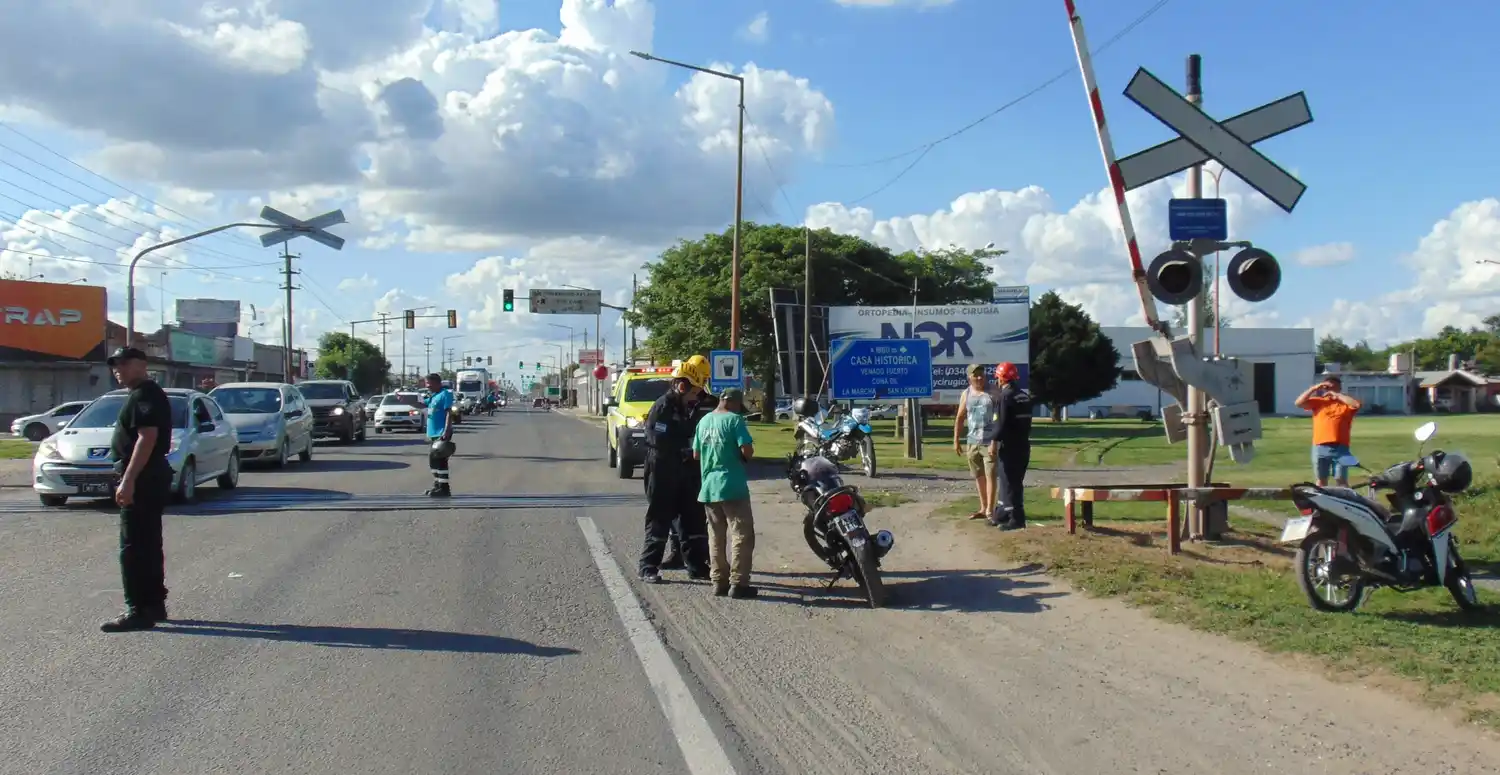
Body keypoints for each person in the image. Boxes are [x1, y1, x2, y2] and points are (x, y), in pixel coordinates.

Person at [102, 346, 174, 632]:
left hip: (144, 477)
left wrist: (129, 479)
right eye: (115, 365)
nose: (117, 369)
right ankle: (154, 604)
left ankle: (138, 609)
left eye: (123, 363)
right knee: (149, 543)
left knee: (133, 547)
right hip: (150, 475)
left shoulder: (144, 395)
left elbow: (147, 438)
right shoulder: (145, 394)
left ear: (142, 365)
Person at [639, 356, 712, 584]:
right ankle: (648, 567)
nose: (697, 395)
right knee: (660, 518)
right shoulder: (663, 407)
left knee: (693, 518)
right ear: (682, 386)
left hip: (686, 471)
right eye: (695, 390)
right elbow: (658, 439)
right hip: (662, 469)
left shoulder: (688, 406)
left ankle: (697, 566)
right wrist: (684, 450)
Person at [693, 387, 757, 599]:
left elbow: (696, 454)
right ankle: (738, 583)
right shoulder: (735, 420)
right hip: (732, 485)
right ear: (731, 402)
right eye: (738, 405)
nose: (739, 409)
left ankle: (718, 581)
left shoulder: (703, 422)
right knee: (742, 535)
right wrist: (743, 454)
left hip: (709, 486)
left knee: (716, 536)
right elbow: (746, 450)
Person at [985, 361, 1033, 531]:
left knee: (1011, 482)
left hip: (1010, 446)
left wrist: (993, 442)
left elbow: (1001, 423)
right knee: (1009, 480)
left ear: (1001, 378)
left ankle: (1016, 518)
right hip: (1023, 445)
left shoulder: (1005, 396)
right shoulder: (1024, 396)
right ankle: (1002, 514)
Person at [1294, 375, 1362, 487]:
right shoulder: (1319, 402)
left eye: (1334, 387)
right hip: (1320, 446)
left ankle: (1344, 497)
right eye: (1328, 387)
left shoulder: (1345, 403)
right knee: (1321, 479)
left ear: (1339, 388)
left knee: (1341, 478)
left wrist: (1336, 395)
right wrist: (1314, 388)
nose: (1330, 390)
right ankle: (1322, 498)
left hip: (1341, 447)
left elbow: (1356, 405)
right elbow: (1298, 403)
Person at [952, 363, 1000, 521]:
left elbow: (1000, 417)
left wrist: (995, 440)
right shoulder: (966, 393)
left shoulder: (993, 392)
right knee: (978, 475)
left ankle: (991, 511)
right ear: (969, 378)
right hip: (972, 441)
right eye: (975, 375)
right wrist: (956, 440)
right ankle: (983, 507)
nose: (979, 378)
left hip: (989, 441)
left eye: (981, 375)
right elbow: (960, 417)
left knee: (990, 475)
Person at [423, 373, 456, 496]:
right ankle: (437, 485)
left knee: (440, 460)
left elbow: (448, 413)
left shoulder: (445, 394)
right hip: (433, 433)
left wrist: (446, 430)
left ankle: (444, 488)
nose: (427, 386)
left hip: (441, 432)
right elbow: (423, 405)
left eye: (429, 384)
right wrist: (406, 401)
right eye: (426, 384)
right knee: (433, 461)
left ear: (437, 383)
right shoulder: (434, 396)